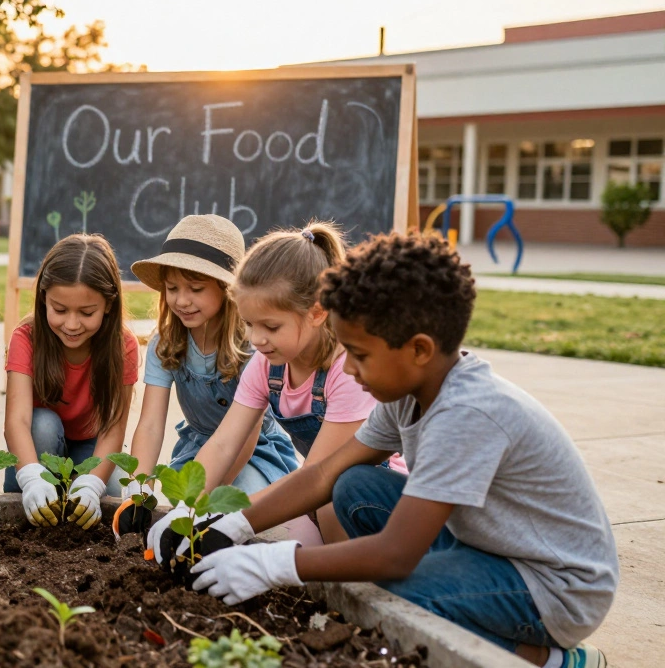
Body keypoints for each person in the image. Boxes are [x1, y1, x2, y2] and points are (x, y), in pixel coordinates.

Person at [173, 232, 617, 668]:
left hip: (556, 586)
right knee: (355, 485)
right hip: (493, 548)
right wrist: (233, 523)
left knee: (394, 593)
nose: (346, 367)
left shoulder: (466, 414)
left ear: (419, 349)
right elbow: (324, 473)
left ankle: (549, 659)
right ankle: (461, 594)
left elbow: (396, 554)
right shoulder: (409, 393)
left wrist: (275, 563)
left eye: (360, 354)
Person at [150, 222, 380, 548]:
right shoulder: (265, 362)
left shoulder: (345, 371)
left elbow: (318, 474)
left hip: (368, 497)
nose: (256, 339)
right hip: (315, 487)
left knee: (327, 507)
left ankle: (349, 587)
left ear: (316, 313)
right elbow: (223, 443)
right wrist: (187, 507)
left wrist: (236, 522)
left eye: (270, 326)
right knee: (280, 539)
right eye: (248, 324)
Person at [123, 215, 298, 496]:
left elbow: (245, 440)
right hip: (197, 446)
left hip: (255, 452)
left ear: (227, 289)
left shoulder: (252, 349)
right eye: (172, 288)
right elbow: (151, 425)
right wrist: (138, 486)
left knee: (237, 504)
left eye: (196, 289)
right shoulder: (165, 344)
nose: (181, 300)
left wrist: (209, 497)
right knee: (172, 509)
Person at [3, 234, 139, 530]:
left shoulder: (123, 346)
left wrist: (92, 484)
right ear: (43, 298)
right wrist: (30, 477)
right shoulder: (26, 338)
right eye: (60, 310)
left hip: (90, 445)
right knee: (43, 424)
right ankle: (31, 497)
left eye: (87, 313)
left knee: (113, 494)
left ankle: (75, 490)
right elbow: (17, 421)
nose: (72, 324)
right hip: (38, 447)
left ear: (109, 305)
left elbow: (114, 428)